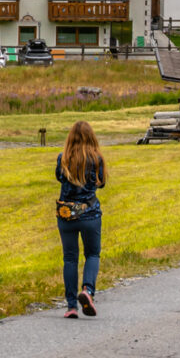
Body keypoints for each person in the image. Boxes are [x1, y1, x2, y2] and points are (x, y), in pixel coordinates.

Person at [55, 120, 107, 318]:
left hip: (67, 214)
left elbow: (59, 178)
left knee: (70, 258)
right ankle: (87, 290)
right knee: (92, 254)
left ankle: (71, 307)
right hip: (90, 213)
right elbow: (101, 184)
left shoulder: (64, 159)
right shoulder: (97, 159)